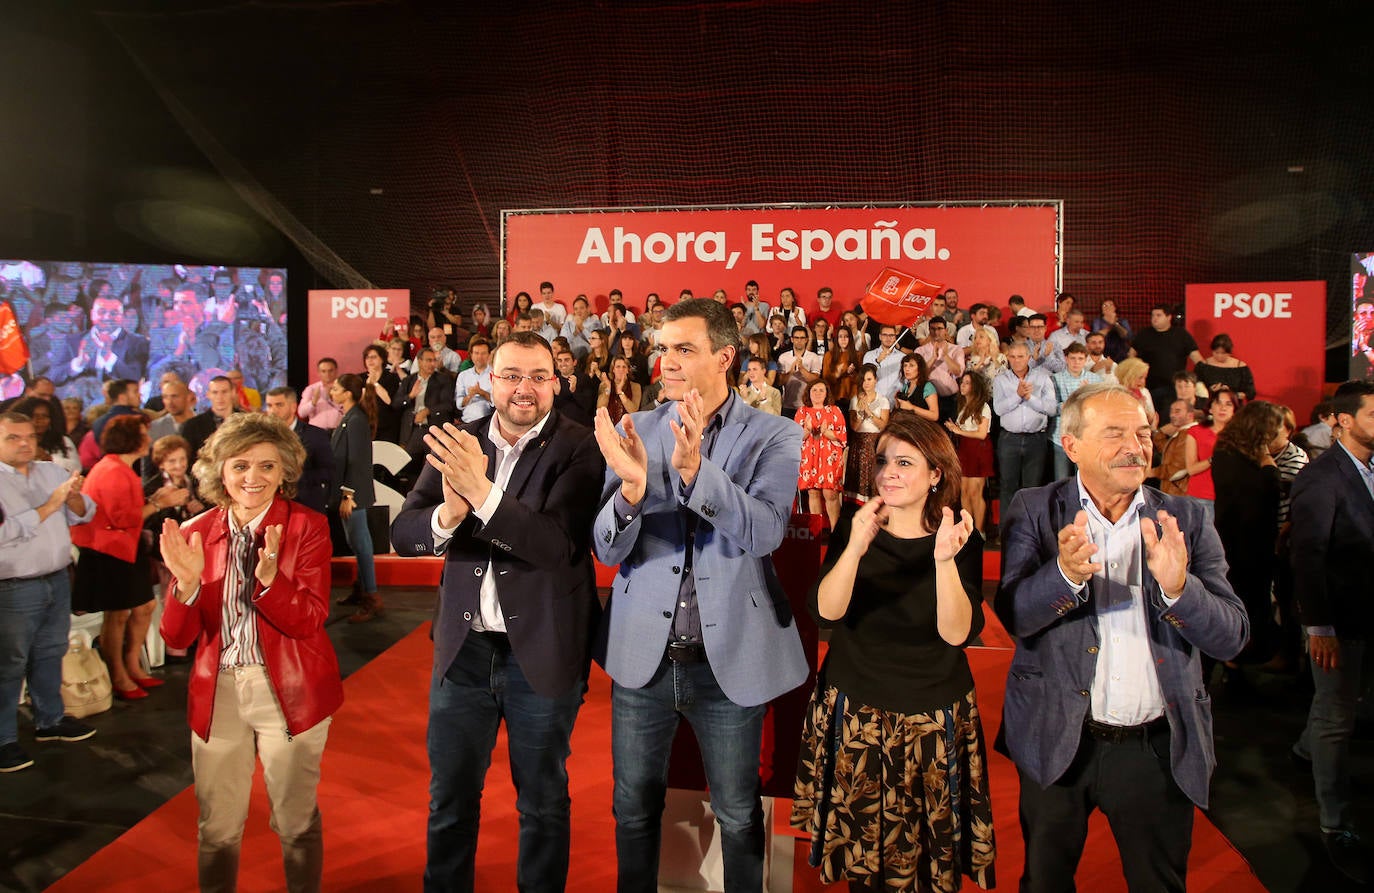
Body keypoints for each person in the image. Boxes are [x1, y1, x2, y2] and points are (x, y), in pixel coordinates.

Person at [996, 382, 1248, 892]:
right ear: (1072, 446)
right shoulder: (1034, 509)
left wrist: (1179, 589)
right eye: (1114, 433)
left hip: (1156, 749)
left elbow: (1233, 638)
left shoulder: (1189, 520)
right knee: (1044, 882)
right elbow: (1016, 617)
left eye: (1141, 432)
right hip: (1056, 739)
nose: (1135, 446)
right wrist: (1064, 576)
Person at [591, 298, 806, 892]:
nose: (668, 361)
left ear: (726, 356)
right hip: (643, 661)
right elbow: (606, 550)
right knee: (632, 809)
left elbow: (763, 532)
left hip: (728, 663)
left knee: (739, 815)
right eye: (662, 349)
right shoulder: (639, 428)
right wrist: (632, 493)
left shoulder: (777, 434)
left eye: (684, 349)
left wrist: (694, 475)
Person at [392, 330, 604, 892]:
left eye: (538, 377)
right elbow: (405, 530)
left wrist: (482, 497)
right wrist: (448, 514)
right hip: (464, 652)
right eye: (511, 375)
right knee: (450, 801)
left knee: (542, 803)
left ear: (556, 383)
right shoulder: (457, 439)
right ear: (489, 380)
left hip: (540, 652)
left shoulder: (580, 448)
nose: (523, 389)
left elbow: (557, 547)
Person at [793, 414, 994, 893]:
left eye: (905, 462)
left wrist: (944, 561)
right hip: (856, 712)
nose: (889, 472)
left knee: (926, 864)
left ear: (936, 473)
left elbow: (956, 633)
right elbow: (825, 613)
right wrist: (856, 547)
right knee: (862, 861)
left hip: (933, 722)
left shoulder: (961, 538)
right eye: (882, 461)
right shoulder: (855, 528)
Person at [159, 412, 343, 892]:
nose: (252, 478)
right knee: (217, 828)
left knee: (295, 821)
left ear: (284, 471)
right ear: (220, 471)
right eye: (240, 466)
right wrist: (187, 584)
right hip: (217, 690)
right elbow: (176, 640)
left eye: (266, 466)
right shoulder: (196, 530)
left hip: (289, 689)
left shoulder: (308, 526)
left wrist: (270, 584)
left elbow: (308, 620)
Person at [1288, 380, 1374, 883]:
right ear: (1342, 420)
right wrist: (1318, 625)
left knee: (1339, 710)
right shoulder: (1321, 477)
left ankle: (1305, 749)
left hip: (1368, 613)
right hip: (1338, 620)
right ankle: (1334, 821)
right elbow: (1309, 555)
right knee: (1336, 716)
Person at [0, 412, 98, 773]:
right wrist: (50, 505)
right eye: (13, 437)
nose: (25, 443)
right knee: (8, 664)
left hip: (56, 578)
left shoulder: (52, 472)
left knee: (50, 652)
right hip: (12, 586)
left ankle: (50, 721)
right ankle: (4, 740)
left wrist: (71, 499)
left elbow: (86, 513)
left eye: (29, 436)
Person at [72, 414, 187, 699]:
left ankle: (133, 666)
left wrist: (154, 501)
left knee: (144, 607)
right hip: (108, 551)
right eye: (143, 434)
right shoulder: (112, 471)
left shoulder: (122, 469)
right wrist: (160, 502)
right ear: (130, 439)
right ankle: (120, 675)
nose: (148, 440)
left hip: (125, 547)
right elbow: (122, 518)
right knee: (118, 614)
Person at [1211, 401, 1285, 691]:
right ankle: (1233, 662)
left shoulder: (1229, 453)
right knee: (1243, 602)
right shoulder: (1233, 458)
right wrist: (1267, 459)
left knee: (1248, 601)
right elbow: (1267, 488)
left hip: (1247, 541)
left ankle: (1236, 662)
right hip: (1242, 544)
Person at [329, 374, 381, 624]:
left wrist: (348, 495)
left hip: (355, 494)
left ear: (347, 393)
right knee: (356, 542)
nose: (332, 391)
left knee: (361, 544)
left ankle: (371, 596)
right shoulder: (350, 418)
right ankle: (361, 590)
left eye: (336, 387)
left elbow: (357, 460)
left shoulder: (356, 420)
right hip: (350, 493)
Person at [993, 342, 1056, 509]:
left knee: (1033, 488)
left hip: (1036, 439)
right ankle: (1007, 531)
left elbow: (1051, 408)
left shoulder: (1042, 378)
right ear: (1007, 358)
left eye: (1020, 356)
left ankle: (1031, 531)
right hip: (1009, 439)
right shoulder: (1001, 380)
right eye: (1012, 356)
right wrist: (1018, 396)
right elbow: (998, 409)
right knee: (1007, 487)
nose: (1016, 360)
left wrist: (1030, 398)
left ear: (1029, 358)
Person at [263, 387, 335, 516]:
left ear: (293, 407)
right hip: (270, 507)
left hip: (306, 506)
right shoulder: (262, 437)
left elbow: (328, 471)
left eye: (279, 405)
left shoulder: (315, 435)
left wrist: (293, 477)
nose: (273, 411)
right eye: (269, 406)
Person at [944, 371, 994, 537]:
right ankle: (968, 529)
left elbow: (981, 434)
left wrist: (958, 431)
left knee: (975, 492)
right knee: (964, 491)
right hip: (964, 450)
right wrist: (955, 429)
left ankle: (980, 531)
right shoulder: (963, 405)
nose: (962, 386)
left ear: (975, 386)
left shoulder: (983, 406)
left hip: (978, 450)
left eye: (967, 383)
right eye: (962, 382)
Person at [1129, 304, 1202, 413]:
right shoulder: (1144, 334)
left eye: (1159, 315)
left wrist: (1205, 378)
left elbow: (1197, 359)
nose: (1154, 318)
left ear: (1169, 317)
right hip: (1149, 387)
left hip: (1174, 388)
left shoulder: (1181, 334)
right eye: (1153, 315)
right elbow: (1130, 356)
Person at [1178, 386, 1236, 520]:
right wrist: (1214, 459)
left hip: (1229, 498)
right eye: (1218, 403)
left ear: (1234, 410)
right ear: (1210, 408)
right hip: (1200, 496)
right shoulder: (1196, 431)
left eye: (1228, 404)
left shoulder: (1239, 435)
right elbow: (1191, 469)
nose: (1223, 408)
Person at [1049, 343, 1105, 480]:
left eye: (1080, 359)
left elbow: (1099, 410)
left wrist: (1086, 397)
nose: (1076, 362)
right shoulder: (1055, 379)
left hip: (1085, 437)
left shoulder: (1095, 380)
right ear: (1066, 358)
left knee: (1084, 479)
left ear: (1086, 360)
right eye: (1073, 358)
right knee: (1061, 480)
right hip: (1060, 436)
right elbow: (1052, 408)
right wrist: (1078, 399)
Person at [796, 379, 846, 530]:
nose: (817, 393)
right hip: (809, 456)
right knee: (813, 492)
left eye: (821, 390)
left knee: (830, 494)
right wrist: (807, 429)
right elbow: (796, 437)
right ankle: (816, 532)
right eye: (814, 390)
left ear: (827, 393)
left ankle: (835, 532)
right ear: (809, 393)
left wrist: (826, 432)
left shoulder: (835, 410)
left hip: (829, 456)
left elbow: (842, 435)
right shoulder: (802, 411)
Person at [397, 347, 458, 462]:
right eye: (428, 360)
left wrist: (427, 411)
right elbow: (396, 404)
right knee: (408, 465)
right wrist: (410, 396)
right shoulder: (408, 381)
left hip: (434, 427)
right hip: (412, 429)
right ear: (419, 361)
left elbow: (447, 405)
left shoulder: (443, 380)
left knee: (434, 464)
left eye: (434, 360)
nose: (432, 364)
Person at [846, 364, 890, 502]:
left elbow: (883, 425)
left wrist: (869, 413)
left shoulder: (883, 400)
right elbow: (854, 426)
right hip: (859, 440)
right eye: (864, 380)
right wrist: (861, 412)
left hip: (875, 441)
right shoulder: (855, 400)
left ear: (876, 380)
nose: (866, 383)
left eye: (869, 379)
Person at [12, 396, 79, 476]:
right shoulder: (11, 441)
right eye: (34, 416)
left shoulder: (63, 440)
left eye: (45, 416)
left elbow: (77, 468)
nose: (39, 420)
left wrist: (48, 458)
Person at [182, 375, 244, 462]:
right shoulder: (193, 426)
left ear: (233, 392)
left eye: (224, 392)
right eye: (215, 392)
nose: (220, 397)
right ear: (208, 395)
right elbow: (188, 459)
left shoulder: (246, 421)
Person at [914, 317, 964, 420]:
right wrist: (933, 358)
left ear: (946, 330)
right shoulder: (920, 351)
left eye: (940, 328)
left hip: (950, 399)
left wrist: (945, 356)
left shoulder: (956, 349)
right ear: (929, 330)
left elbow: (958, 372)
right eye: (933, 328)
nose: (936, 332)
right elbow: (918, 375)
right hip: (927, 400)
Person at [361, 343, 403, 444]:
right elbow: (359, 401)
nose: (370, 360)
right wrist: (367, 385)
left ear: (382, 359)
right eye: (367, 357)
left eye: (374, 357)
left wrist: (374, 383)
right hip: (366, 424)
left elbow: (389, 401)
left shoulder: (391, 378)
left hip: (388, 424)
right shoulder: (360, 378)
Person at [778, 325, 822, 419]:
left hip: (807, 404)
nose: (799, 340)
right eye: (796, 338)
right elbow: (779, 382)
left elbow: (815, 380)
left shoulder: (813, 357)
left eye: (802, 338)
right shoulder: (783, 357)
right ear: (792, 339)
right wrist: (790, 372)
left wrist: (802, 369)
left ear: (806, 340)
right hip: (788, 405)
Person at [1194, 333, 1255, 401]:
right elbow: (1194, 388)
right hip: (1209, 403)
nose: (1219, 356)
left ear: (1229, 353)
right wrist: (1210, 390)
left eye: (1223, 353)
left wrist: (1233, 394)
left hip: (1233, 404)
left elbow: (1250, 392)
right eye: (1216, 352)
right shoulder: (1203, 366)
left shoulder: (1241, 367)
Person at [552, 347, 598, 427]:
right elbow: (551, 408)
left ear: (574, 362)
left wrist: (574, 391)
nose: (563, 363)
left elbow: (588, 405)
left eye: (566, 360)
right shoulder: (554, 381)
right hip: (560, 426)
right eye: (560, 361)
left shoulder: (584, 378)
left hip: (581, 425)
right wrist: (557, 394)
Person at [455, 337, 494, 424]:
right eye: (476, 353)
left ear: (489, 355)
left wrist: (482, 392)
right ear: (471, 355)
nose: (479, 357)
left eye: (483, 353)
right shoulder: (463, 375)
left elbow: (497, 402)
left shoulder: (495, 374)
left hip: (488, 421)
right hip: (466, 421)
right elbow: (459, 404)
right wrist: (470, 396)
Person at [861, 324, 904, 401]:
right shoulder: (869, 355)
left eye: (891, 335)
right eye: (885, 335)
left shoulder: (902, 357)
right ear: (880, 336)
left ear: (895, 337)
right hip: (875, 401)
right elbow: (865, 377)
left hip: (896, 402)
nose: (888, 338)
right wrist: (877, 361)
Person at [596, 355, 641, 425]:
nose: (621, 370)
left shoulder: (635, 386)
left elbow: (633, 411)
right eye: (618, 367)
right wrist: (608, 388)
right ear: (613, 369)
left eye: (624, 367)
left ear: (627, 370)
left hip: (627, 427)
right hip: (609, 426)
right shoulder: (604, 385)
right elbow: (600, 408)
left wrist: (620, 392)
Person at [1113, 357, 1157, 427]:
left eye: (1145, 378)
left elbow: (1153, 418)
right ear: (1127, 376)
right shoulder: (1114, 393)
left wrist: (1150, 417)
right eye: (1140, 377)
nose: (1143, 381)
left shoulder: (1144, 392)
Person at [822, 325, 860, 403]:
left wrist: (852, 373)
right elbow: (825, 379)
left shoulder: (858, 355)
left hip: (852, 398)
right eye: (840, 336)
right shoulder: (829, 355)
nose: (843, 339)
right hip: (834, 397)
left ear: (850, 338)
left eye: (846, 336)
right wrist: (837, 375)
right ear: (837, 339)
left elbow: (861, 380)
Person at [1091, 298, 1132, 362]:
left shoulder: (1122, 321)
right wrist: (1110, 326)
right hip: (1104, 353)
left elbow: (1127, 336)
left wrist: (1115, 324)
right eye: (1105, 305)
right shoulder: (1097, 321)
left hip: (1121, 353)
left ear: (1115, 308)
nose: (1108, 307)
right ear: (1102, 309)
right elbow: (1096, 336)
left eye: (1110, 305)